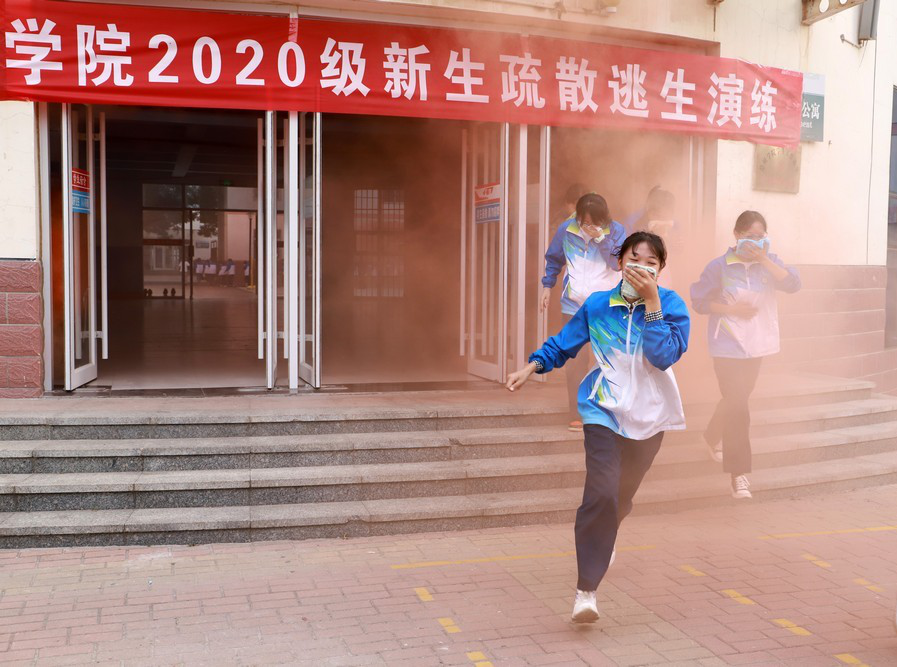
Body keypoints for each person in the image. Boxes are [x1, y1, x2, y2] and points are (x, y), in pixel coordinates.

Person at [508, 231, 690, 623]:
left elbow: (663, 356)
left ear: (661, 269)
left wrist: (653, 303)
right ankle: (586, 591)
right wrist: (532, 366)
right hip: (602, 410)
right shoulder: (597, 305)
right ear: (620, 262)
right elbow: (564, 343)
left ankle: (606, 534)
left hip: (649, 417)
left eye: (651, 262)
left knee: (620, 498)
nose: (641, 267)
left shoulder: (672, 305)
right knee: (601, 493)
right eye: (634, 258)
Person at [690, 210, 801, 500]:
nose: (756, 242)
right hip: (727, 346)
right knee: (738, 406)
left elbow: (793, 284)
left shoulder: (769, 263)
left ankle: (710, 436)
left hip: (757, 345)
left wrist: (763, 258)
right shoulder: (719, 266)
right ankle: (738, 474)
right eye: (750, 237)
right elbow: (699, 302)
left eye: (761, 237)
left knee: (735, 400)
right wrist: (731, 310)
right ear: (737, 235)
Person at [540, 192, 626, 431]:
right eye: (583, 221)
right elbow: (554, 259)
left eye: (593, 221)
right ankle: (577, 412)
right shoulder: (567, 229)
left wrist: (601, 239)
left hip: (606, 307)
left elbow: (617, 263)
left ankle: (607, 410)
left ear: (603, 218)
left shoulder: (616, 231)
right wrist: (547, 287)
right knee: (575, 360)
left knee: (608, 358)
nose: (587, 226)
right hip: (573, 305)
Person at [625, 187, 679, 289]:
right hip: (638, 270)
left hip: (663, 270)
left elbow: (678, 252)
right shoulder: (633, 222)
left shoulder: (674, 224)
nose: (664, 217)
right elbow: (628, 251)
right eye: (658, 213)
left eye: (668, 213)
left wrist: (675, 244)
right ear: (649, 210)